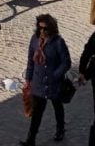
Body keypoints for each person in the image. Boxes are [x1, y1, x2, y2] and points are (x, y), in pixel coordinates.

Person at [22, 13, 72, 146]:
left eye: (45, 29)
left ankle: (60, 129)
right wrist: (29, 78)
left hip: (54, 82)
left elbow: (66, 62)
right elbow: (30, 61)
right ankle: (30, 139)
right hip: (39, 82)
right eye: (40, 28)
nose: (42, 31)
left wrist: (55, 76)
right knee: (37, 111)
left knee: (57, 106)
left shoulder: (58, 42)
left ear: (52, 29)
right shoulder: (34, 40)